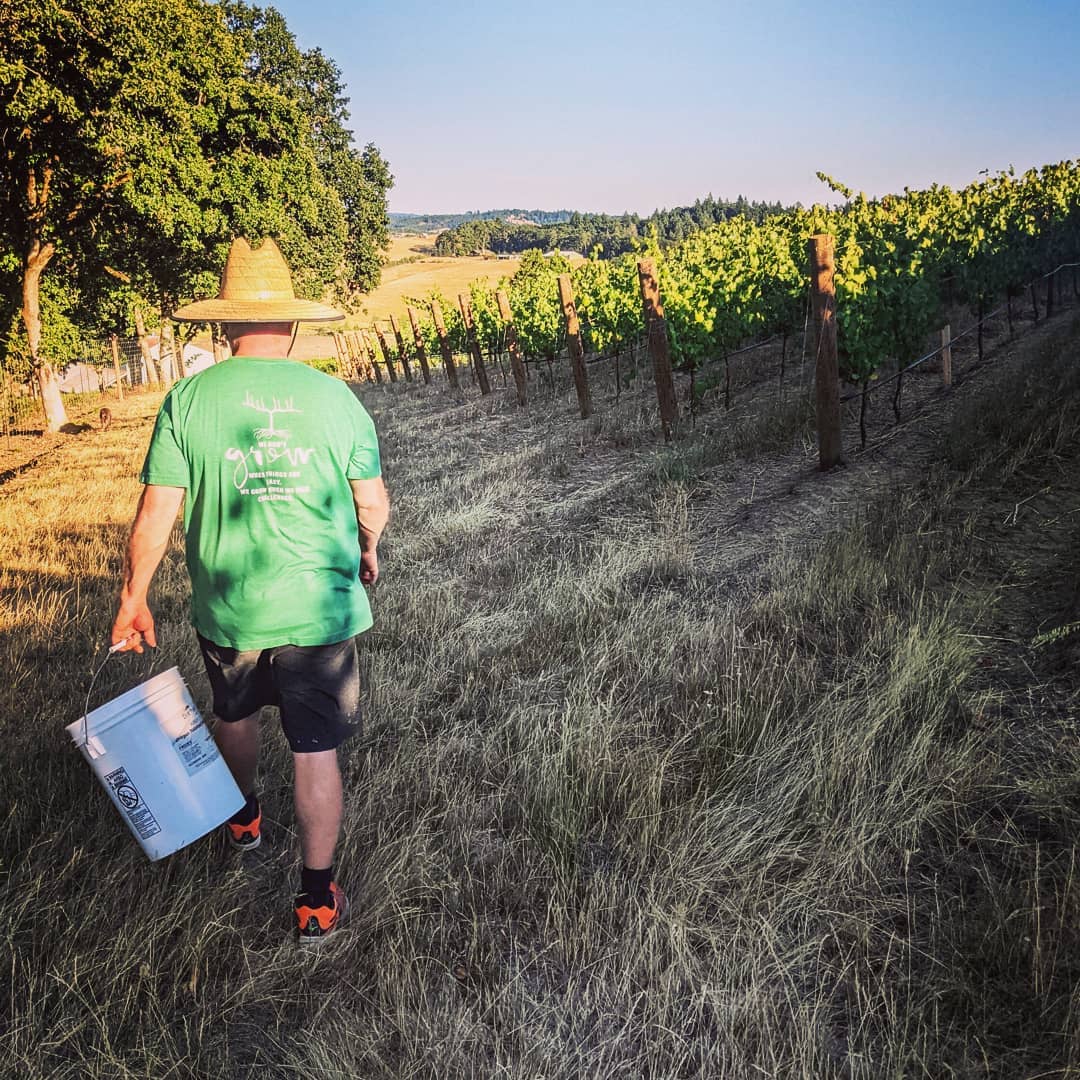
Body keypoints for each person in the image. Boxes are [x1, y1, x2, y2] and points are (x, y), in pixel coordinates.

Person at [111, 237, 389, 947]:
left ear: (225, 323)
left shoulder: (187, 399)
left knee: (233, 713)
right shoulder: (335, 398)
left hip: (229, 607)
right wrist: (366, 549)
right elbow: (372, 501)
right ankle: (316, 902)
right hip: (319, 609)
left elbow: (156, 514)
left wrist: (134, 597)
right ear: (292, 324)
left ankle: (243, 821)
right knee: (315, 747)